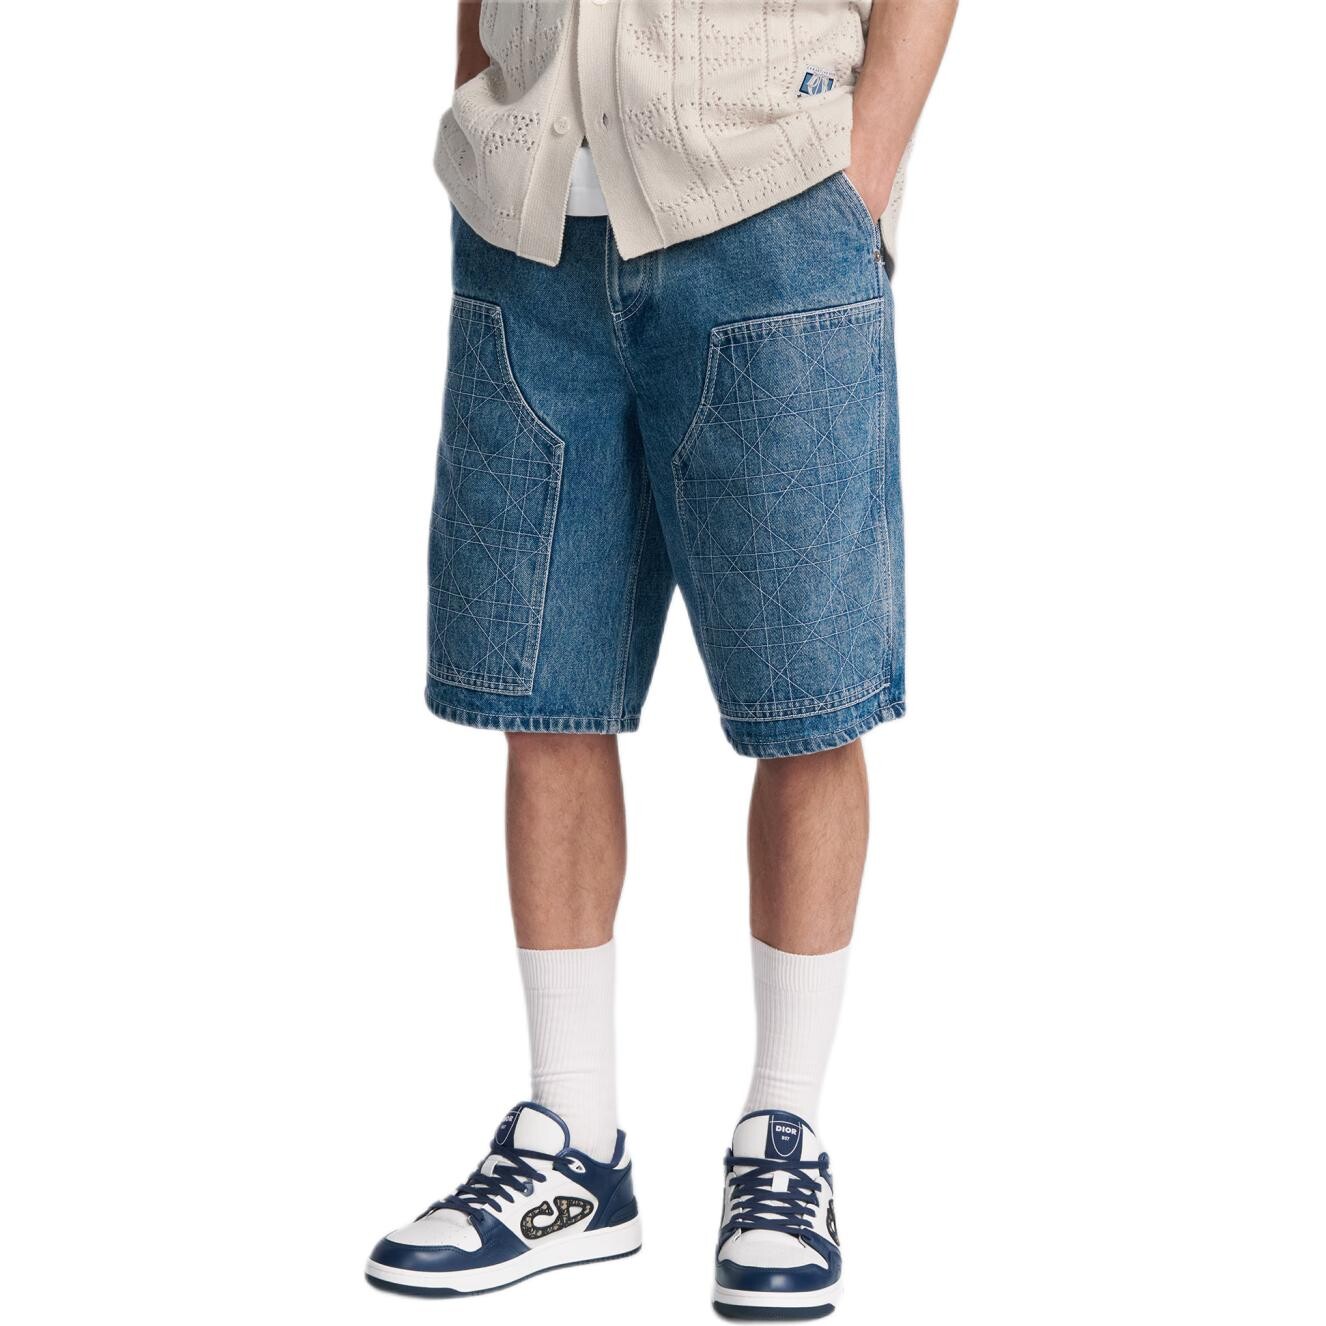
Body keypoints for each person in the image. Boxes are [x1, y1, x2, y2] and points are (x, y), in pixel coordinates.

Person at [366, 1, 957, 1317]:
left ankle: (782, 1136)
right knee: (545, 693)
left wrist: (859, 177)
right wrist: (487, 97)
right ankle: (572, 1149)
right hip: (529, 225)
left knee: (808, 700)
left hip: (771, 199)